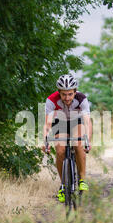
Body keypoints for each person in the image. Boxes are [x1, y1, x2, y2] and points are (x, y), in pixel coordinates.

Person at [41, 74, 93, 203]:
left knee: (78, 144)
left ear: (75, 91)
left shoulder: (82, 99)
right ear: (59, 92)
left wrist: (88, 140)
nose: (67, 98)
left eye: (70, 94)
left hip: (77, 121)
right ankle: (63, 185)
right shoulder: (51, 100)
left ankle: (82, 179)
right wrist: (45, 141)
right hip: (60, 122)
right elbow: (47, 124)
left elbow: (87, 122)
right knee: (60, 150)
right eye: (64, 94)